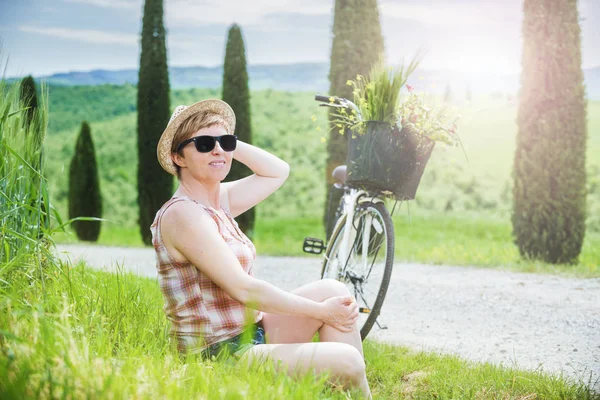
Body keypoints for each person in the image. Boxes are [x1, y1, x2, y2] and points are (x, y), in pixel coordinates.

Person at [150, 99, 371, 398]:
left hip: (250, 334)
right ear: (179, 157)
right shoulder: (183, 214)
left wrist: (223, 143)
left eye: (224, 142)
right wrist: (321, 313)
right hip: (217, 354)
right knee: (347, 360)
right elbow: (245, 289)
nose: (217, 150)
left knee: (335, 292)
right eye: (202, 144)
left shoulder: (219, 200)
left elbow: (277, 171)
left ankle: (348, 390)